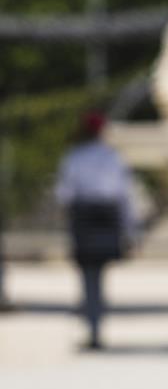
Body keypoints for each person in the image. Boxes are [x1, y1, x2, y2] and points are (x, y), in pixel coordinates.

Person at [55, 111, 136, 350]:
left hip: (85, 217)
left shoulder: (75, 156)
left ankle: (93, 323)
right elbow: (124, 195)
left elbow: (65, 193)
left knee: (88, 273)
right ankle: (95, 321)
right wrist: (130, 229)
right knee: (99, 273)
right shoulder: (113, 157)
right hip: (106, 217)